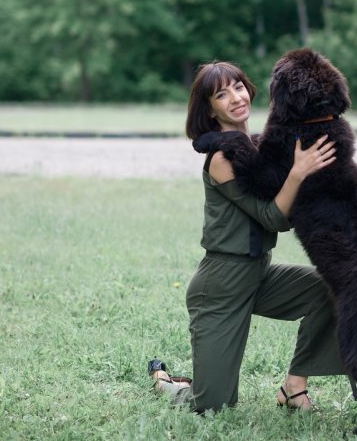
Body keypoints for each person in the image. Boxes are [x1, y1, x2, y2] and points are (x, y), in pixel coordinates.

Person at [148, 61, 346, 413]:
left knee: (332, 287)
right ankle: (165, 382)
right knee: (212, 406)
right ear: (210, 110)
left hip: (259, 273)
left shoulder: (254, 146)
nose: (236, 98)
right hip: (220, 286)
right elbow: (272, 217)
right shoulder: (222, 158)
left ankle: (294, 388)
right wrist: (298, 172)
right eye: (221, 95)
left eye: (238, 87)